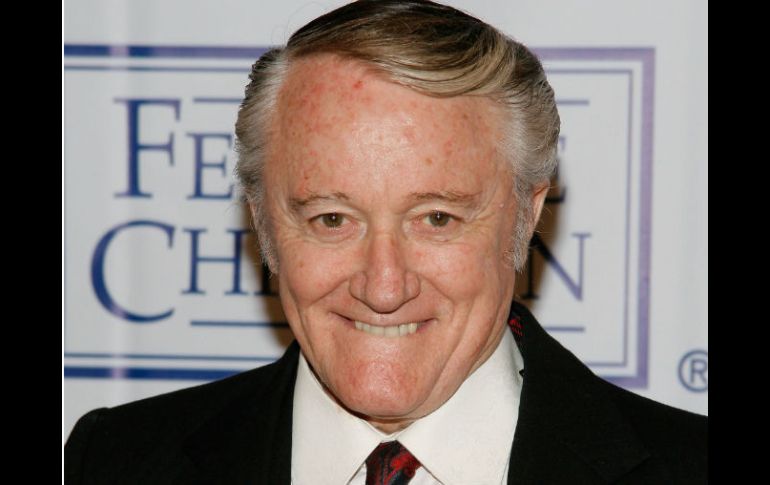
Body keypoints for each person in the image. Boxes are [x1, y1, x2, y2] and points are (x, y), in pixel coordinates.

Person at [64, 1, 707, 483]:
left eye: (436, 219)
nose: (383, 286)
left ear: (525, 216)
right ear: (263, 223)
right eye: (331, 220)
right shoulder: (115, 461)